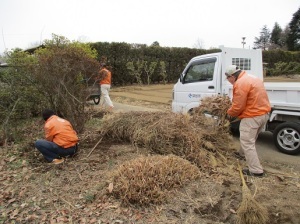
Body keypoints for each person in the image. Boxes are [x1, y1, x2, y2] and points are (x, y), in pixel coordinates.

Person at [225, 65, 271, 177]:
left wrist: (229, 114)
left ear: (232, 76)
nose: (228, 81)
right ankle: (241, 154)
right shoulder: (252, 78)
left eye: (228, 78)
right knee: (250, 139)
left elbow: (238, 106)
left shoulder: (240, 83)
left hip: (252, 116)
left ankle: (256, 171)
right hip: (263, 114)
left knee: (247, 141)